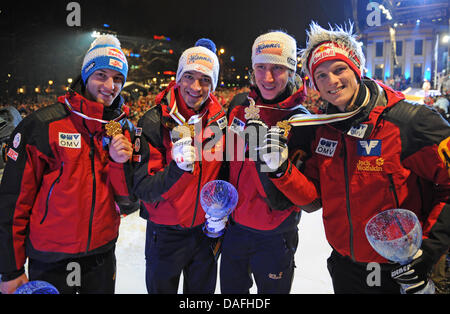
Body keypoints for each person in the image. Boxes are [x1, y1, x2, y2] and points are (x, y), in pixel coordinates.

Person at [288, 21, 450, 293]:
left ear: (357, 69)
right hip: (345, 266)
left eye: (339, 69)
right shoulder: (322, 129)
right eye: (321, 75)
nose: (332, 82)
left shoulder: (409, 121)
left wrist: (429, 250)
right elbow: (312, 198)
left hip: (401, 269)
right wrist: (280, 171)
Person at [0, 35, 138, 294]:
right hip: (51, 259)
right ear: (86, 75)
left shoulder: (124, 128)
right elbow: (12, 203)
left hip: (101, 255)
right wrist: (10, 270)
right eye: (101, 75)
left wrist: (120, 164)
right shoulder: (43, 125)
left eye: (118, 78)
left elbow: (129, 203)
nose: (110, 85)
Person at [219, 30, 318, 294]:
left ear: (292, 70)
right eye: (260, 67)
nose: (268, 77)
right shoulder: (240, 104)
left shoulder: (301, 120)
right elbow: (227, 160)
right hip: (235, 229)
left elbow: (310, 200)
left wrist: (279, 168)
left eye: (277, 68)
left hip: (275, 236)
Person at [132, 39, 226, 293]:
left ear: (213, 85)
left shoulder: (220, 122)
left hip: (206, 232)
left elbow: (224, 174)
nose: (196, 87)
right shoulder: (153, 120)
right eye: (189, 77)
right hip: (165, 234)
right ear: (178, 78)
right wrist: (177, 169)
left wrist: (223, 210)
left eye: (205, 80)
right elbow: (143, 189)